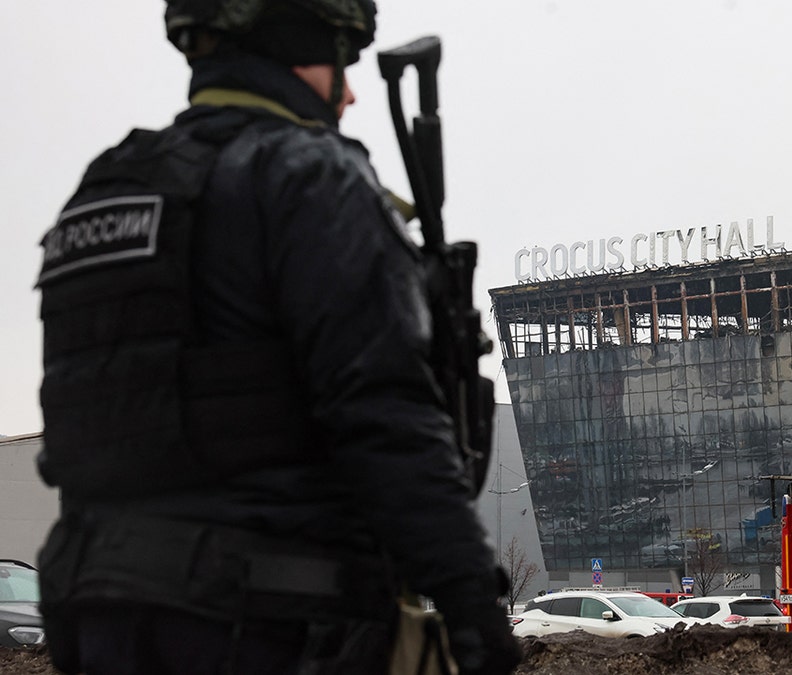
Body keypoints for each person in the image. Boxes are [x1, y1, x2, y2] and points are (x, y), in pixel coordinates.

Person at [34, 1, 521, 673]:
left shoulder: (103, 193)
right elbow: (386, 414)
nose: (350, 94)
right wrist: (472, 606)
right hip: (266, 620)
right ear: (295, 43)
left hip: (99, 619)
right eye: (341, 60)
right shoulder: (309, 175)